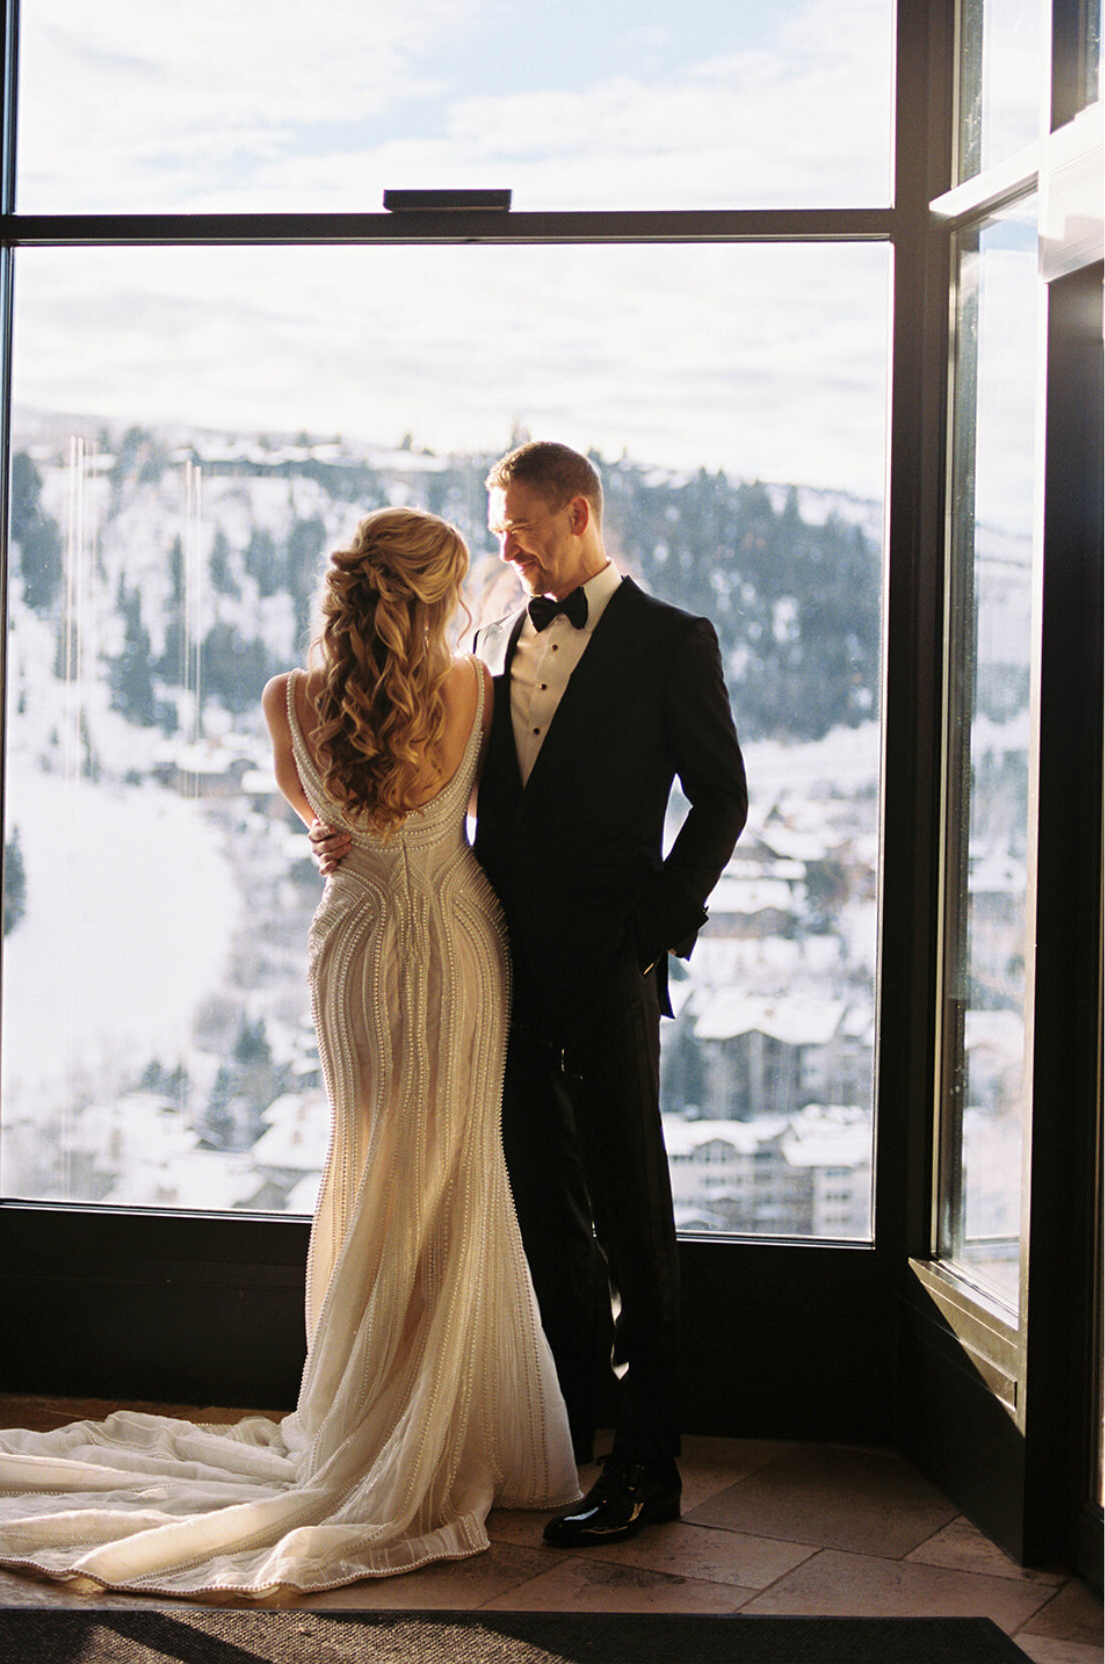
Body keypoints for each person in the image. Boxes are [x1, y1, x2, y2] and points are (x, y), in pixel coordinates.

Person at [0, 507, 579, 1599]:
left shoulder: (290, 700)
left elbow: (315, 814)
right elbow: (481, 815)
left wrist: (339, 831)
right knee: (453, 1169)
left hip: (355, 946)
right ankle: (430, 1417)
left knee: (373, 1162)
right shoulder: (472, 689)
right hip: (454, 941)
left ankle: (367, 1407)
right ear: (432, 598)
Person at [464, 440, 747, 1545]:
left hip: (611, 968)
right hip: (503, 966)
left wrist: (650, 934)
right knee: (545, 1205)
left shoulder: (673, 640)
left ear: (577, 512)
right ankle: (576, 1422)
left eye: (518, 530)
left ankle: (648, 1468)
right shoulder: (498, 632)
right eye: (498, 531)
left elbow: (720, 800)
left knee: (634, 1219)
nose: (507, 549)